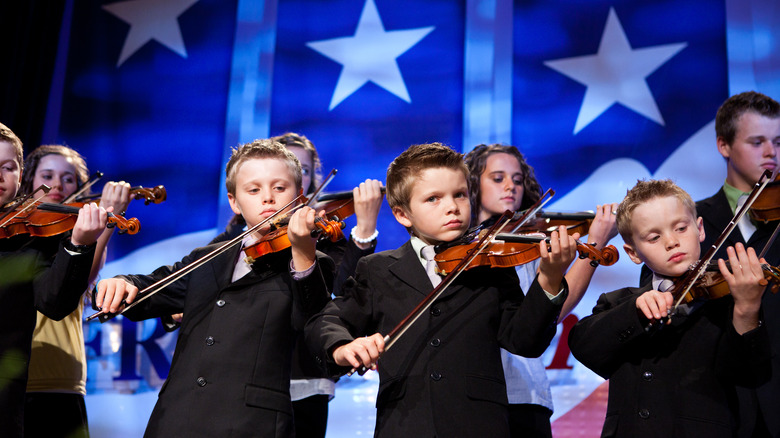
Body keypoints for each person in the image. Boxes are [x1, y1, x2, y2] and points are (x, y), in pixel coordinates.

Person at [305, 142, 578, 437]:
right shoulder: (377, 269)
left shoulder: (490, 267)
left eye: (459, 194)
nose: (452, 207)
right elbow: (327, 321)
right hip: (405, 425)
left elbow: (525, 341)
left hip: (479, 426)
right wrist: (343, 347)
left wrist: (549, 278)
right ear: (402, 214)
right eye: (433, 199)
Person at [94, 139, 334, 437]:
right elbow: (153, 288)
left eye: (279, 188)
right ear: (234, 201)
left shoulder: (312, 261)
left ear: (299, 197)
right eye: (254, 189)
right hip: (176, 420)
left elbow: (312, 323)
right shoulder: (208, 256)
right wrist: (123, 282)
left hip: (252, 425)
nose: (268, 199)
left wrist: (303, 252)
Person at [170, 132, 382, 438]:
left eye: (305, 171)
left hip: (304, 373)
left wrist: (363, 230)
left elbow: (338, 295)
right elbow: (200, 280)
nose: (269, 194)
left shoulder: (322, 234)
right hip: (244, 380)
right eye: (257, 186)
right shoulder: (237, 237)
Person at [568, 179, 771, 438]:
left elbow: (751, 376)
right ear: (633, 253)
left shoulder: (729, 301)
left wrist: (747, 307)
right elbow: (584, 346)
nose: (672, 242)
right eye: (654, 237)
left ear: (699, 229)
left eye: (680, 228)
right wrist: (635, 311)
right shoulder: (619, 302)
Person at [464, 143, 618, 437]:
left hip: (526, 394)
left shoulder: (531, 243)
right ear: (473, 184)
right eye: (498, 178)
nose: (510, 186)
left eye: (518, 180)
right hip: (472, 397)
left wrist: (595, 244)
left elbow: (552, 310)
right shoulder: (462, 247)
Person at [0, 124, 109, 437]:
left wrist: (80, 244)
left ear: (20, 176)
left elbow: (54, 301)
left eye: (8, 167)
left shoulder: (31, 242)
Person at [19, 145, 132, 438]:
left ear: (81, 189)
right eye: (47, 175)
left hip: (58, 378)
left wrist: (108, 220)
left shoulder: (79, 238)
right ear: (29, 181)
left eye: (68, 178)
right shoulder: (15, 233)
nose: (57, 184)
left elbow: (79, 279)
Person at [698, 91, 780, 437]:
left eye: (777, 141)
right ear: (724, 146)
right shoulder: (689, 220)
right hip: (716, 402)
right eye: (757, 141)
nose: (771, 153)